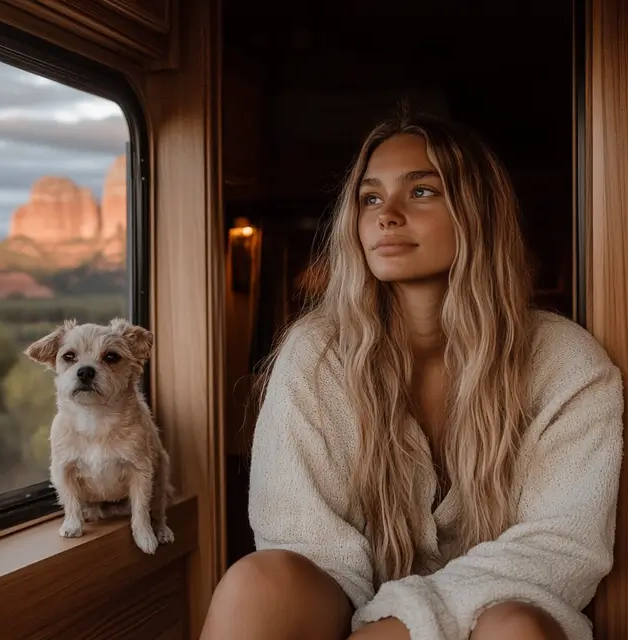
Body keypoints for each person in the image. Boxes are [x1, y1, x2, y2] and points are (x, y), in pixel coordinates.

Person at [200, 114, 624, 640]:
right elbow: (304, 541)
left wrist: (400, 628)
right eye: (371, 198)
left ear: (478, 213)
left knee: (515, 628)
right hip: (343, 608)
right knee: (258, 583)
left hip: (499, 609)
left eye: (421, 191)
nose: (388, 216)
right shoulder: (317, 354)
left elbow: (561, 546)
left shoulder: (566, 363)